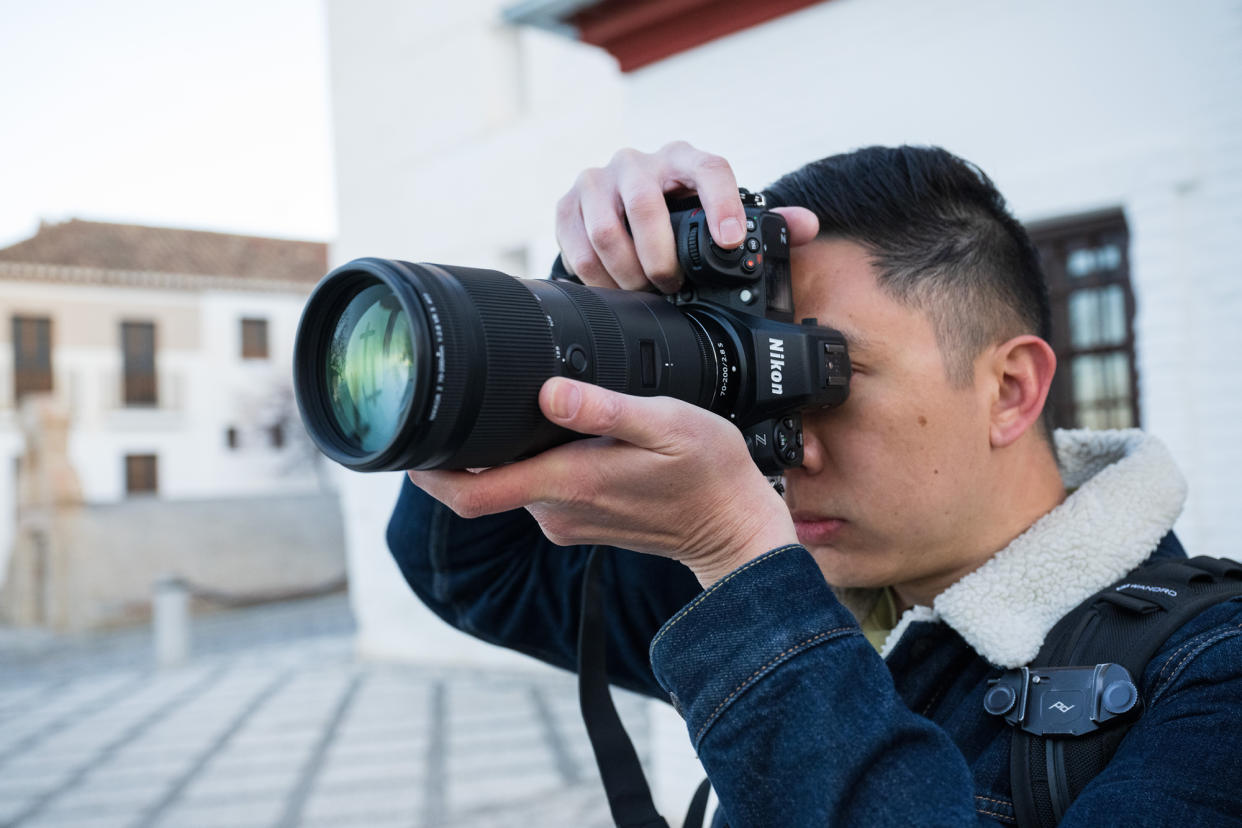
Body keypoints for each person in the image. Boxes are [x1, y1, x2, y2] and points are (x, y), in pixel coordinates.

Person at [386, 141, 1242, 825]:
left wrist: (737, 562)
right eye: (764, 385)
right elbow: (475, 568)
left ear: (1009, 390)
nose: (789, 446)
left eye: (822, 377)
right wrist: (583, 299)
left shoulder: (1210, 682)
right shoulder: (834, 592)